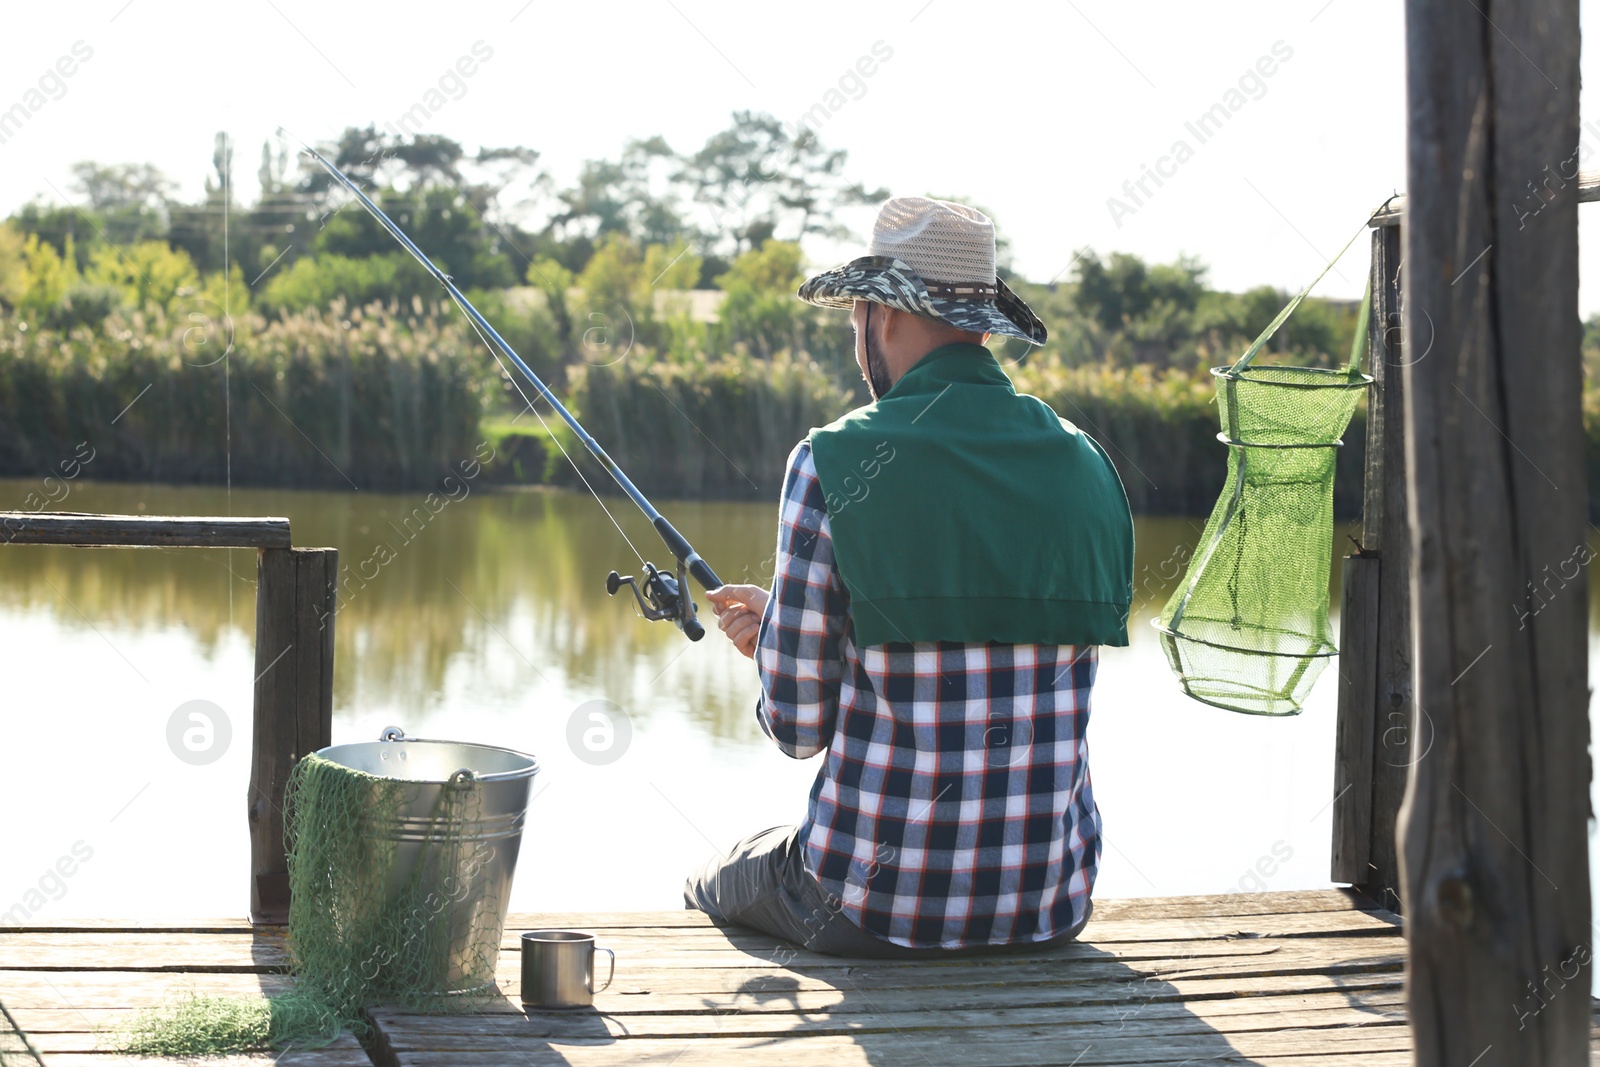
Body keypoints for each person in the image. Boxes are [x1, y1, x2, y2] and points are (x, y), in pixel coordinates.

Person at [686, 196, 1134, 958]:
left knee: (711, 874)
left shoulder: (829, 460)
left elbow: (798, 728)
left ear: (882, 317)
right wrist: (790, 623)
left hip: (871, 906)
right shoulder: (1086, 462)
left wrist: (776, 647)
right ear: (984, 327)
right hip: (1052, 903)